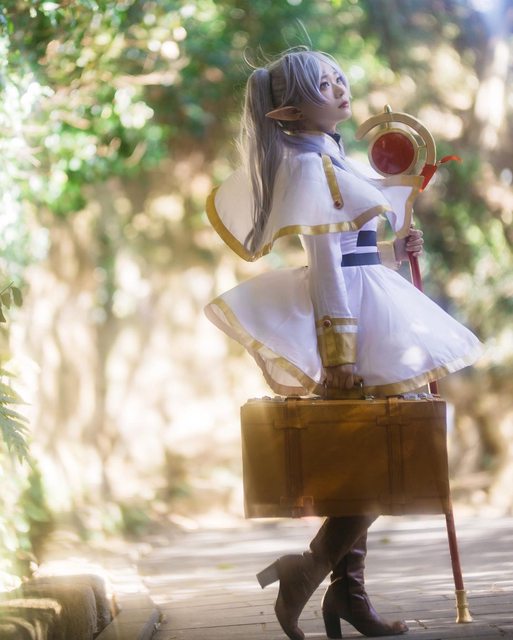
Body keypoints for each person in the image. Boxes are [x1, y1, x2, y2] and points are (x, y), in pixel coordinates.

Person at [204, 48, 482, 640]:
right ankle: (310, 572)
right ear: (289, 113)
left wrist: (393, 251)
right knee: (381, 459)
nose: (339, 88)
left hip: (367, 301)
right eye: (323, 86)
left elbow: (350, 250)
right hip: (349, 320)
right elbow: (327, 263)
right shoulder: (309, 166)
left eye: (338, 78)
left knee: (368, 460)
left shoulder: (329, 154)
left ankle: (345, 592)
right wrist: (339, 355)